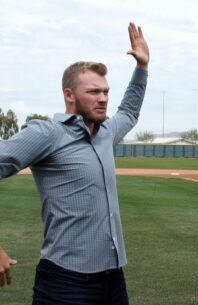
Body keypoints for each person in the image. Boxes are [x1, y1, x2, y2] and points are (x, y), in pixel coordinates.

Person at [0, 22, 149, 305]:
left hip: (114, 280)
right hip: (65, 284)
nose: (103, 98)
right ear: (69, 95)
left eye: (106, 91)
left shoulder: (105, 133)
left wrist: (141, 68)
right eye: (94, 92)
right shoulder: (47, 134)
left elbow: (129, 110)